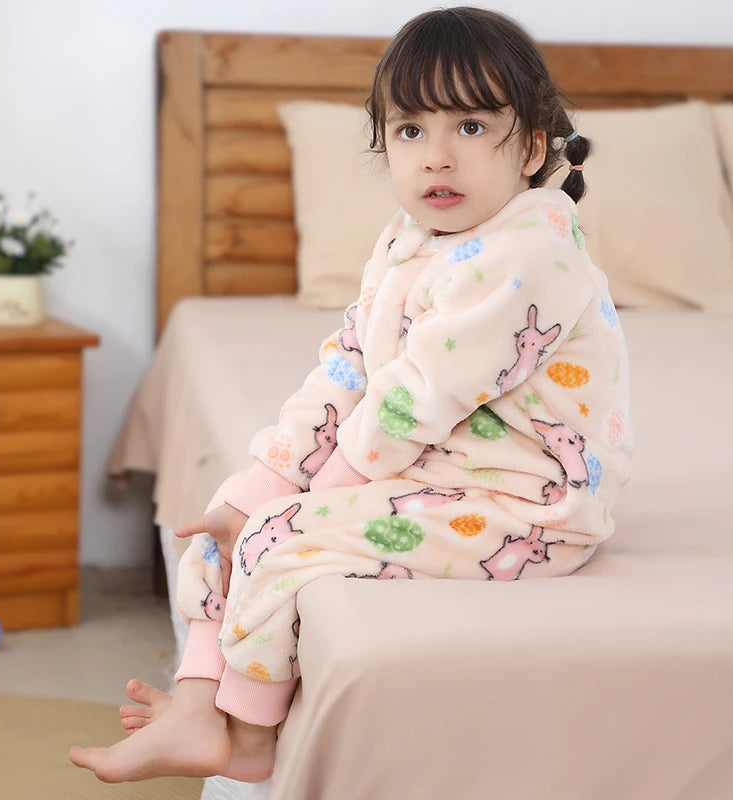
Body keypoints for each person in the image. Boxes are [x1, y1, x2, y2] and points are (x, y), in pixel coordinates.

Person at [70, 5, 632, 784]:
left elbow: (413, 402)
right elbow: (348, 368)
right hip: (433, 467)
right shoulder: (407, 240)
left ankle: (250, 736)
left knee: (277, 538)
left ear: (533, 146)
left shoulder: (532, 253)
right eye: (411, 130)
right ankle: (199, 706)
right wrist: (265, 484)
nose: (437, 157)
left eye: (471, 127)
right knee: (228, 512)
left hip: (527, 506)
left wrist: (302, 501)